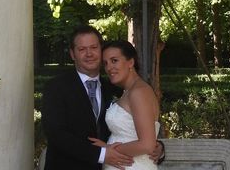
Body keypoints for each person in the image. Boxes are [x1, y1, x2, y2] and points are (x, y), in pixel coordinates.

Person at [41, 25, 163, 170]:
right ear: (73, 54)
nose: (89, 53)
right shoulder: (56, 87)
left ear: (101, 49)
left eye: (93, 47)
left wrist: (158, 147)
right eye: (82, 49)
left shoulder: (116, 89)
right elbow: (56, 134)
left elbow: (139, 126)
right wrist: (101, 154)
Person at [89, 40, 161, 170]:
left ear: (131, 62)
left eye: (114, 60)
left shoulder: (139, 92)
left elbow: (147, 144)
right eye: (105, 63)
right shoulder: (129, 91)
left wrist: (106, 150)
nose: (109, 67)